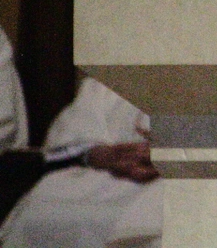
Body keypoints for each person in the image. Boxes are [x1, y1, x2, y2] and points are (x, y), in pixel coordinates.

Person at [0, 77, 162, 248]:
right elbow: (69, 139)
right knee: (44, 212)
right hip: (102, 181)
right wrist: (96, 154)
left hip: (162, 192)